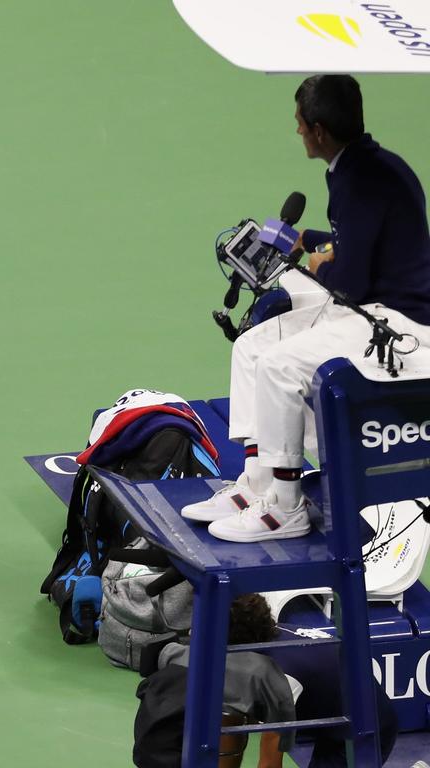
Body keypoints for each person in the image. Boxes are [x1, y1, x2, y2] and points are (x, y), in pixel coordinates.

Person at [182, 74, 430, 542]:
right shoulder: (366, 166)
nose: (297, 131)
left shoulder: (361, 180)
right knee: (252, 346)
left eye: (299, 123)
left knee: (277, 367)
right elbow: (361, 243)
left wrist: (318, 264)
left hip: (400, 326)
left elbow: (350, 282)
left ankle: (285, 506)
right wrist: (309, 242)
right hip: (375, 307)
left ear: (317, 130)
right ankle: (257, 483)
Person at [133, 594, 397, 768]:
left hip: (366, 730)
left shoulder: (281, 676)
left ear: (232, 643)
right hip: (336, 712)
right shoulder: (267, 637)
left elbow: (270, 763)